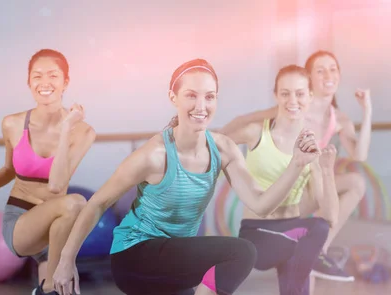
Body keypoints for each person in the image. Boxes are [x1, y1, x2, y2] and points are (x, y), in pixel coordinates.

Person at [52, 59, 322, 295]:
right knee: (243, 251)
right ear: (174, 97)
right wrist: (66, 261)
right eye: (191, 95)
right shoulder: (155, 155)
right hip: (133, 256)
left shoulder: (223, 148)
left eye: (209, 96)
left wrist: (297, 164)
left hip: (173, 257)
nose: (201, 106)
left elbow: (262, 204)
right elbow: (98, 202)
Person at [219, 51, 371, 281]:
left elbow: (359, 154)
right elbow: (244, 121)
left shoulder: (338, 118)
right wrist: (215, 140)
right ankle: (313, 249)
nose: (328, 75)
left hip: (306, 188)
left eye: (333, 69)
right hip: (280, 194)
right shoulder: (292, 107)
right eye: (320, 70)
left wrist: (367, 110)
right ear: (309, 79)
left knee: (355, 182)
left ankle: (320, 250)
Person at [0, 48, 96, 295]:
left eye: (53, 75)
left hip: (57, 228)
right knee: (75, 202)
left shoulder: (84, 132)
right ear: (28, 82)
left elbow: (57, 183)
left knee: (65, 290)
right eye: (37, 76)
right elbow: (8, 169)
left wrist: (67, 128)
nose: (45, 82)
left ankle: (47, 288)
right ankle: (51, 282)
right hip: (21, 221)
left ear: (65, 82)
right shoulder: (12, 124)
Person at [222, 65, 339, 295]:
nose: (292, 100)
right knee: (312, 234)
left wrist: (326, 170)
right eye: (285, 93)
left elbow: (331, 217)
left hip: (295, 235)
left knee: (318, 229)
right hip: (258, 234)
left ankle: (306, 268)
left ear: (310, 96)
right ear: (275, 95)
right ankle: (315, 262)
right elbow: (219, 140)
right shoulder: (256, 133)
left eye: (299, 93)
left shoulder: (310, 147)